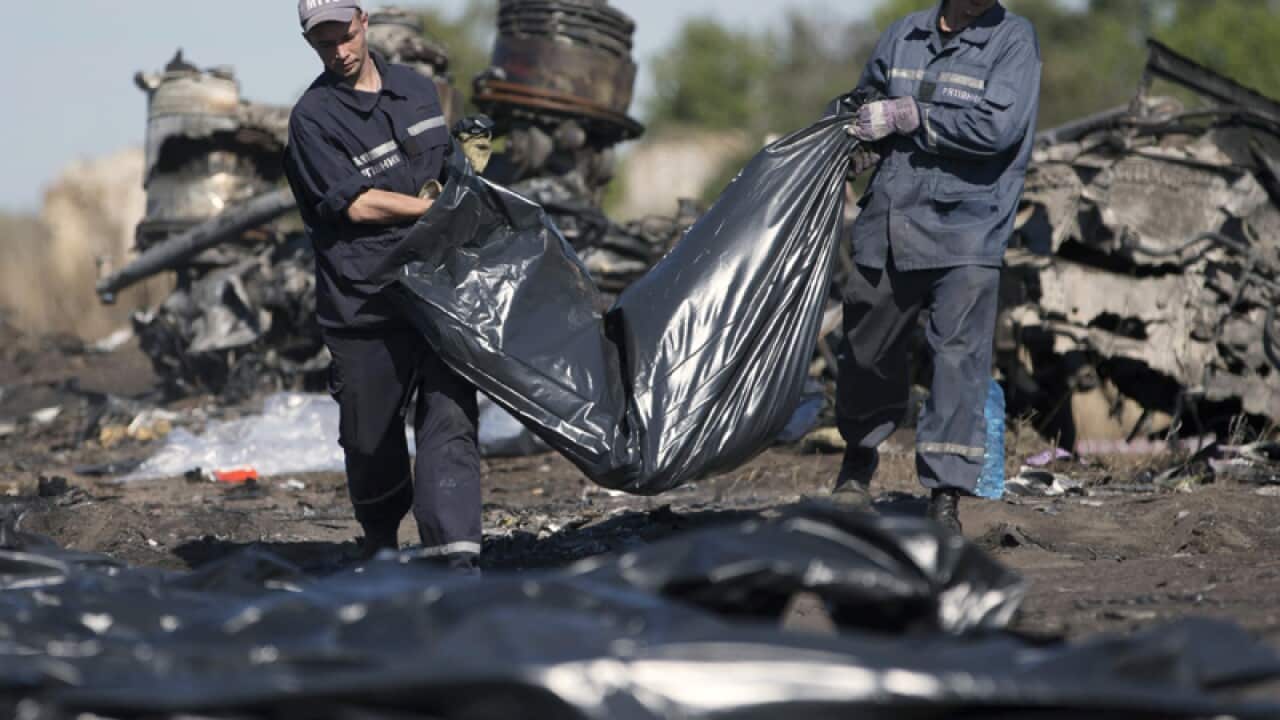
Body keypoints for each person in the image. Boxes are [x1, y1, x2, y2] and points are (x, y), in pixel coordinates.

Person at [283, 0, 482, 569]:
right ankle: (379, 543)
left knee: (450, 424)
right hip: (365, 306)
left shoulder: (418, 91)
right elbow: (360, 206)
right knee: (371, 446)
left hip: (438, 295)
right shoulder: (312, 119)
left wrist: (466, 179)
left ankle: (457, 561)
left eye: (344, 34)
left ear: (363, 21)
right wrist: (435, 210)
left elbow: (444, 171)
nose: (339, 51)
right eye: (323, 42)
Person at [835, 0, 1040, 533]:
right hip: (890, 220)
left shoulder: (1013, 40)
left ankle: (944, 496)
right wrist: (856, 130)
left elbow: (997, 128)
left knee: (958, 360)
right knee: (865, 343)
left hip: (969, 226)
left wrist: (911, 116)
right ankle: (858, 463)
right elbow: (867, 98)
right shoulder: (904, 34)